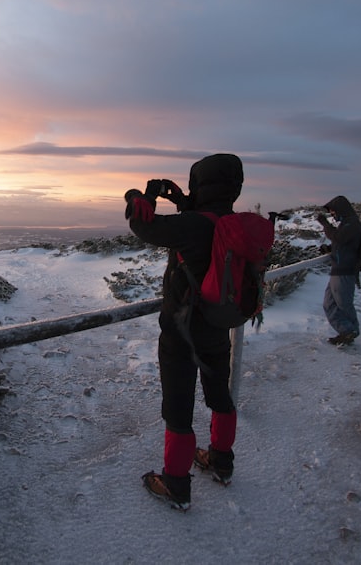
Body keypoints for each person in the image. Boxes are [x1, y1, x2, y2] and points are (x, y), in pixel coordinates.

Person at [123, 153, 244, 511]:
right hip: (218, 327)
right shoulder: (233, 222)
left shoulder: (193, 226)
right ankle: (221, 462)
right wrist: (180, 200)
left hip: (181, 333)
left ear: (199, 184)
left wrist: (138, 195)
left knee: (178, 407)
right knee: (220, 395)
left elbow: (143, 227)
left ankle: (176, 484)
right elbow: (204, 218)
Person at [316, 195, 361, 346]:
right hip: (338, 270)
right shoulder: (346, 225)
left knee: (344, 304)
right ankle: (345, 331)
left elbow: (337, 237)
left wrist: (324, 223)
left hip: (344, 271)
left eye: (333, 212)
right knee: (329, 304)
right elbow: (342, 244)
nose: (333, 216)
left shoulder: (352, 224)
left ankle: (350, 330)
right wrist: (329, 250)